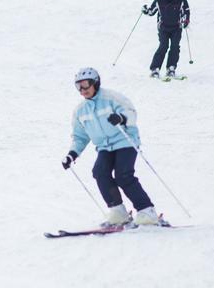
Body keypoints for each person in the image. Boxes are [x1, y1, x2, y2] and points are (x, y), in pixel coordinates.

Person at [61, 67, 160, 226]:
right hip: (104, 147)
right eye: (78, 86)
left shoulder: (111, 98)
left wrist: (121, 118)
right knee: (100, 172)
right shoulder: (80, 110)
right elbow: (80, 136)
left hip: (125, 141)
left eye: (85, 85)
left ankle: (147, 211)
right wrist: (72, 154)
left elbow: (131, 112)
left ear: (96, 83)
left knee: (123, 175)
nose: (82, 90)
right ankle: (118, 212)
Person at [142, 0, 190, 79]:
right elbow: (151, 12)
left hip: (176, 28)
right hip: (163, 28)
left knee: (175, 47)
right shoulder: (159, 1)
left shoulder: (181, 0)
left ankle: (171, 68)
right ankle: (155, 69)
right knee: (163, 46)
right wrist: (146, 10)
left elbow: (186, 12)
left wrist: (185, 21)